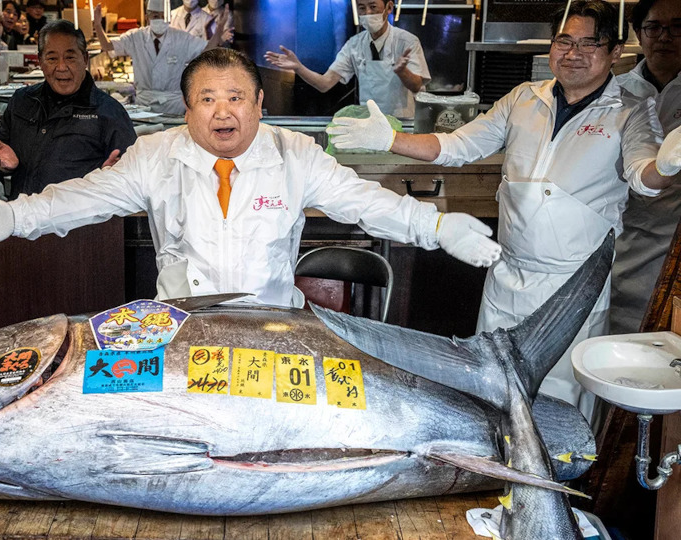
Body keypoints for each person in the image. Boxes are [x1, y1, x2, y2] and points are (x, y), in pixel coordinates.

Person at [324, 0, 681, 422]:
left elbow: (643, 176)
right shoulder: (522, 99)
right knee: (492, 396)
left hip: (572, 288)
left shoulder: (630, 110)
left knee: (558, 408)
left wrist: (666, 164)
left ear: (615, 51)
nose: (573, 53)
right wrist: (389, 140)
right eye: (564, 41)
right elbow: (457, 146)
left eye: (589, 43)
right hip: (506, 276)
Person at [0, 49, 501, 307]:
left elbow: (363, 202)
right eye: (207, 100)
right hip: (180, 331)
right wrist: (17, 215)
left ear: (259, 104)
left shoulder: (294, 154)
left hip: (272, 329)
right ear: (186, 110)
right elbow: (85, 198)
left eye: (235, 98)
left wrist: (435, 227)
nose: (222, 113)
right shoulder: (154, 155)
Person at [0, 20, 137, 197]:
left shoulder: (109, 112)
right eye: (52, 58)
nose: (61, 67)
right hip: (23, 218)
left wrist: (109, 180)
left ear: (85, 59)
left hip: (81, 222)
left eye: (70, 57)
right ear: (40, 61)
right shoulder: (22, 101)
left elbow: (133, 176)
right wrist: (2, 166)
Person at [610, 0, 681, 334]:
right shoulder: (617, 90)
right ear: (639, 33)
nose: (665, 37)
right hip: (624, 234)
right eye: (654, 27)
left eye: (677, 27)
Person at [264, 0, 429, 119]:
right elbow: (324, 83)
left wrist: (402, 71)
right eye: (362, 8)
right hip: (371, 123)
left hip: (405, 122)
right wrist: (298, 67)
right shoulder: (355, 44)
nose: (367, 14)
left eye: (373, 7)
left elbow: (416, 85)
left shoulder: (407, 41)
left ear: (389, 7)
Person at [93, 0, 227, 115]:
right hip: (144, 106)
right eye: (155, 15)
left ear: (168, 18)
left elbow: (207, 50)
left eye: (162, 16)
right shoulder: (136, 37)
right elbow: (108, 47)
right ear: (147, 17)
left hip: (173, 106)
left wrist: (220, 28)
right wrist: (98, 25)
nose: (159, 19)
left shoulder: (181, 38)